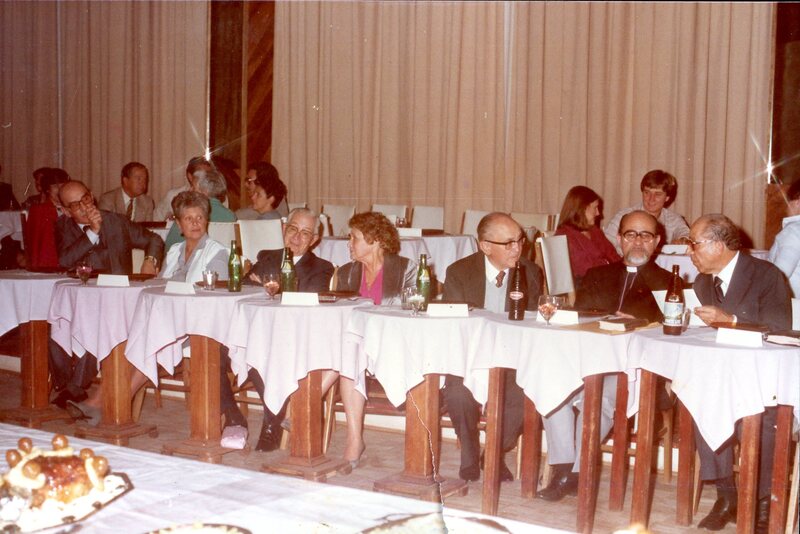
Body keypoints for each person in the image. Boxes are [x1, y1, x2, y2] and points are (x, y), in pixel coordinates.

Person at [536, 210, 671, 501]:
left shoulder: (668, 283)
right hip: (587, 363)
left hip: (633, 373)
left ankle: (576, 473)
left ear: (657, 241)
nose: (638, 241)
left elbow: (671, 336)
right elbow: (578, 322)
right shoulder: (598, 275)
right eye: (630, 234)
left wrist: (640, 323)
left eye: (645, 235)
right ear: (619, 239)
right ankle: (563, 467)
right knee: (552, 388)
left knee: (600, 399)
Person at [67, 191, 230, 423]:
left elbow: (213, 296)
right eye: (188, 218)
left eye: (199, 218)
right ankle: (104, 404)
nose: (195, 223)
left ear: (207, 221)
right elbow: (159, 286)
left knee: (149, 342)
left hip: (197, 325)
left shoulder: (217, 251)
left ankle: (107, 405)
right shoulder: (174, 251)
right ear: (179, 224)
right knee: (126, 335)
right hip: (167, 321)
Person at [687, 213, 791, 532]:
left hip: (765, 381)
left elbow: (780, 330)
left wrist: (731, 321)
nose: (689, 251)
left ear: (718, 245)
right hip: (723, 376)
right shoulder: (702, 282)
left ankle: (762, 500)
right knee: (700, 401)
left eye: (694, 244)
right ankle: (727, 495)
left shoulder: (766, 275)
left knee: (764, 419)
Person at [218, 208, 335, 451]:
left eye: (305, 233)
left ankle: (271, 422)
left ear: (314, 240)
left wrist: (271, 287)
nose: (297, 237)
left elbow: (307, 303)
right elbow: (245, 288)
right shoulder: (268, 257)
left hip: (293, 340)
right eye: (292, 229)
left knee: (264, 354)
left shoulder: (321, 267)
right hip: (258, 334)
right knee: (215, 352)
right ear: (283, 229)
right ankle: (234, 417)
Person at [442, 212, 543, 482]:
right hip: (470, 354)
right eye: (508, 243)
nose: (517, 248)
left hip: (511, 357)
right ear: (485, 246)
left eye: (520, 240)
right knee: (457, 392)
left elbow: (533, 324)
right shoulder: (459, 272)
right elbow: (454, 326)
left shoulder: (530, 272)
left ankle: (494, 453)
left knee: (526, 394)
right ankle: (469, 452)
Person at [50, 180, 164, 411]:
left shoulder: (116, 221)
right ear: (66, 211)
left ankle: (74, 389)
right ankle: (67, 386)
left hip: (116, 301)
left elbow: (154, 239)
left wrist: (150, 260)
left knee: (99, 327)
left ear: (92, 195)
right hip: (81, 299)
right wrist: (92, 232)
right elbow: (65, 260)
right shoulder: (63, 227)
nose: (85, 207)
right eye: (76, 205)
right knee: (57, 324)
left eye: (86, 199)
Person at [323, 212, 417, 470]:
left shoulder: (406, 269)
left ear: (375, 240)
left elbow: (412, 313)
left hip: (392, 345)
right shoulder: (347, 272)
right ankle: (354, 441)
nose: (349, 244)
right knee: (350, 350)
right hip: (355, 348)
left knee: (349, 349)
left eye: (354, 238)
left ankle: (307, 404)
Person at [604, 170, 690, 254]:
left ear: (667, 197)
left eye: (658, 194)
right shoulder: (624, 215)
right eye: (647, 192)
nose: (651, 199)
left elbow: (685, 233)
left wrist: (683, 240)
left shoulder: (674, 219)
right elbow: (606, 244)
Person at [555, 185, 620, 285]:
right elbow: (586, 271)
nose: (598, 213)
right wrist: (610, 266)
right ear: (582, 209)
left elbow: (613, 256)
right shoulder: (564, 236)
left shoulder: (594, 231)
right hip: (585, 286)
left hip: (604, 280)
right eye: (595, 208)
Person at [163, 169, 236, 251]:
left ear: (204, 191)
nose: (190, 190)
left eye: (193, 187)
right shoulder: (231, 216)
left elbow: (169, 248)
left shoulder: (187, 214)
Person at [23, 168, 70, 269]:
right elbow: (42, 244)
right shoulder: (39, 210)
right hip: (49, 262)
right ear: (47, 189)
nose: (60, 190)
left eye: (63, 185)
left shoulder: (72, 208)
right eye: (55, 186)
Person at [153, 156, 213, 221]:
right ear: (190, 176)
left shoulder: (214, 196)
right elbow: (155, 220)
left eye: (209, 175)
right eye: (200, 175)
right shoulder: (173, 195)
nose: (206, 178)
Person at [768, 179, 800, 297]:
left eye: (788, 200)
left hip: (793, 304)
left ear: (798, 202)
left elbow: (778, 276)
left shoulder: (793, 231)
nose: (786, 206)